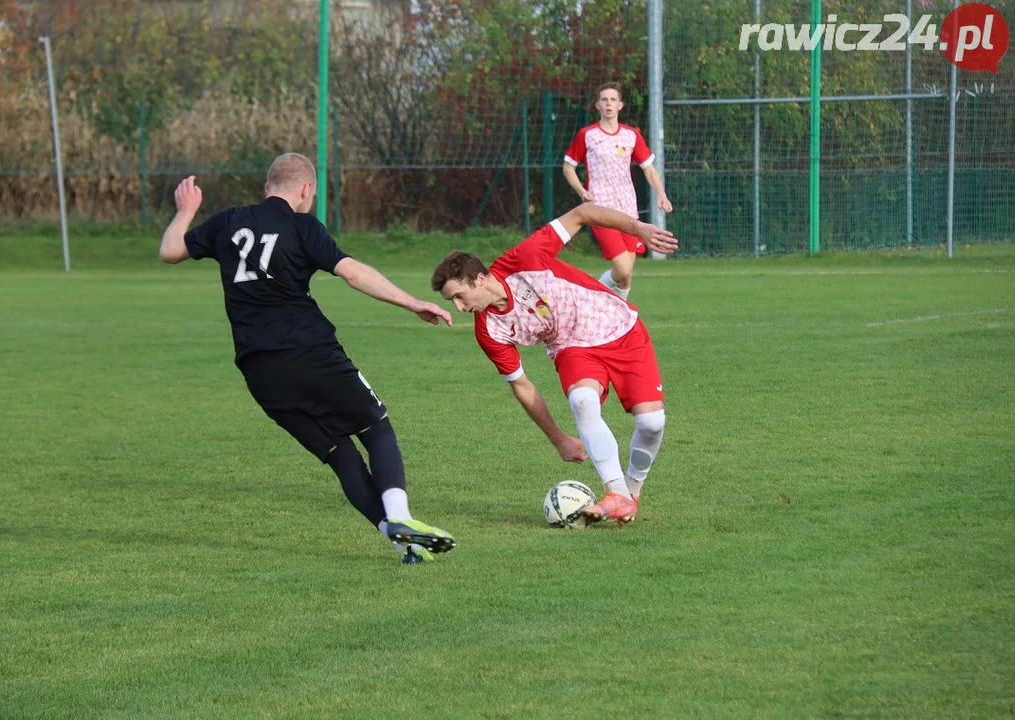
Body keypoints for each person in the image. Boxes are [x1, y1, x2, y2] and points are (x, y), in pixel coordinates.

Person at [158, 153, 456, 564]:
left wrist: (186, 211)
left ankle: (401, 542)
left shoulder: (227, 222)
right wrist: (411, 303)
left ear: (267, 188)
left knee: (341, 456)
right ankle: (401, 517)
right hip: (311, 352)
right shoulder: (302, 226)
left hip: (259, 371)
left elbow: (171, 250)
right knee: (376, 428)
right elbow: (353, 273)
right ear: (305, 190)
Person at [431, 203, 678, 525]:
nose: (460, 307)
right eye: (452, 302)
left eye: (460, 296)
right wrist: (558, 438)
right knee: (582, 400)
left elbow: (583, 212)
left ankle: (631, 490)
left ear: (480, 279)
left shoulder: (524, 259)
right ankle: (615, 492)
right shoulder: (489, 330)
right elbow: (522, 385)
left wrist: (639, 229)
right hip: (572, 348)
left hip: (621, 329)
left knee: (652, 424)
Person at [562, 82, 673, 301]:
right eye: (604, 100)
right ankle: (590, 299)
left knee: (626, 275)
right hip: (601, 210)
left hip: (628, 211)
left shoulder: (631, 136)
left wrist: (662, 194)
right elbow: (568, 168)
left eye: (613, 99)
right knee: (622, 269)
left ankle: (610, 312)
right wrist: (582, 191)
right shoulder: (588, 135)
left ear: (620, 105)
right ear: (598, 105)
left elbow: (648, 169)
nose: (609, 104)